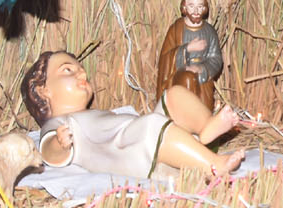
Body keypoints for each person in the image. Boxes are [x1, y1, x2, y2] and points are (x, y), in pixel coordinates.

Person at [23, 50, 243, 178]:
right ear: (44, 90)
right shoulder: (60, 123)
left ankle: (205, 129)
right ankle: (213, 165)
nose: (81, 72)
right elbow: (47, 152)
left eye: (81, 69)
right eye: (67, 70)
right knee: (151, 126)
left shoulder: (96, 114)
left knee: (173, 96)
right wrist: (60, 145)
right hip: (128, 155)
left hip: (141, 139)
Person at [157, 0, 224, 106]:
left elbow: (216, 59)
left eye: (200, 6)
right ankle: (184, 118)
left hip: (203, 77)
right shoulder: (176, 29)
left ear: (204, 8)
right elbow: (165, 57)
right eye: (191, 6)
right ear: (184, 7)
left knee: (204, 108)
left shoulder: (209, 31)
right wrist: (187, 48)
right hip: (180, 75)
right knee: (187, 79)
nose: (196, 10)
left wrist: (201, 69)